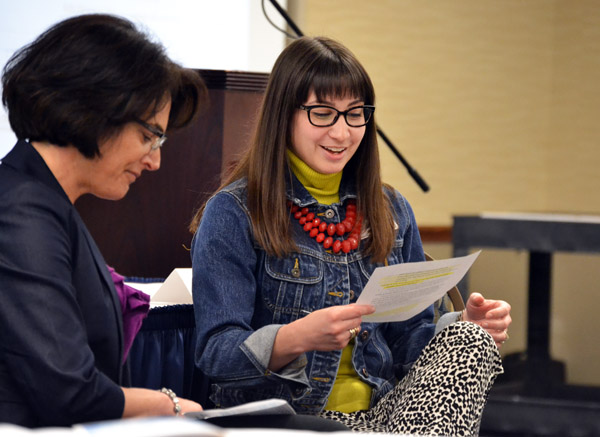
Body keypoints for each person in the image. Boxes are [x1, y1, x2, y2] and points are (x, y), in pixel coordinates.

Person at [189, 36, 512, 436]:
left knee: (470, 339)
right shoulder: (235, 211)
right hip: (291, 419)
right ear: (283, 115)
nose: (342, 133)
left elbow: (409, 343)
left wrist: (461, 325)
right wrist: (294, 338)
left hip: (387, 417)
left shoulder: (391, 209)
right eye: (322, 113)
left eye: (355, 114)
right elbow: (215, 353)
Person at [0, 14, 207, 427]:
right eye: (150, 135)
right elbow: (70, 392)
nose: (155, 160)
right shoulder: (20, 210)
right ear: (96, 107)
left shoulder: (44, 202)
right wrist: (173, 406)